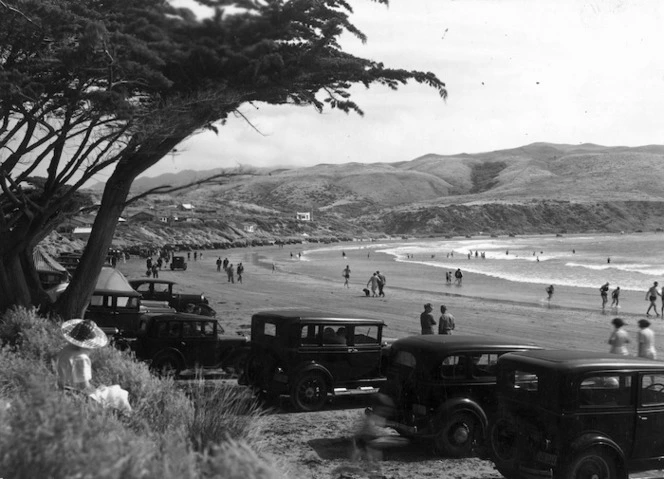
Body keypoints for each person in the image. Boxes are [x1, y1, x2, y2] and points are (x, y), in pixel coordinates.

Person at [56, 319, 131, 412]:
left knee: (111, 390)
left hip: (62, 389)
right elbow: (83, 387)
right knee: (119, 394)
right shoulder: (81, 358)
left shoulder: (65, 350)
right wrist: (97, 391)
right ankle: (127, 417)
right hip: (75, 393)